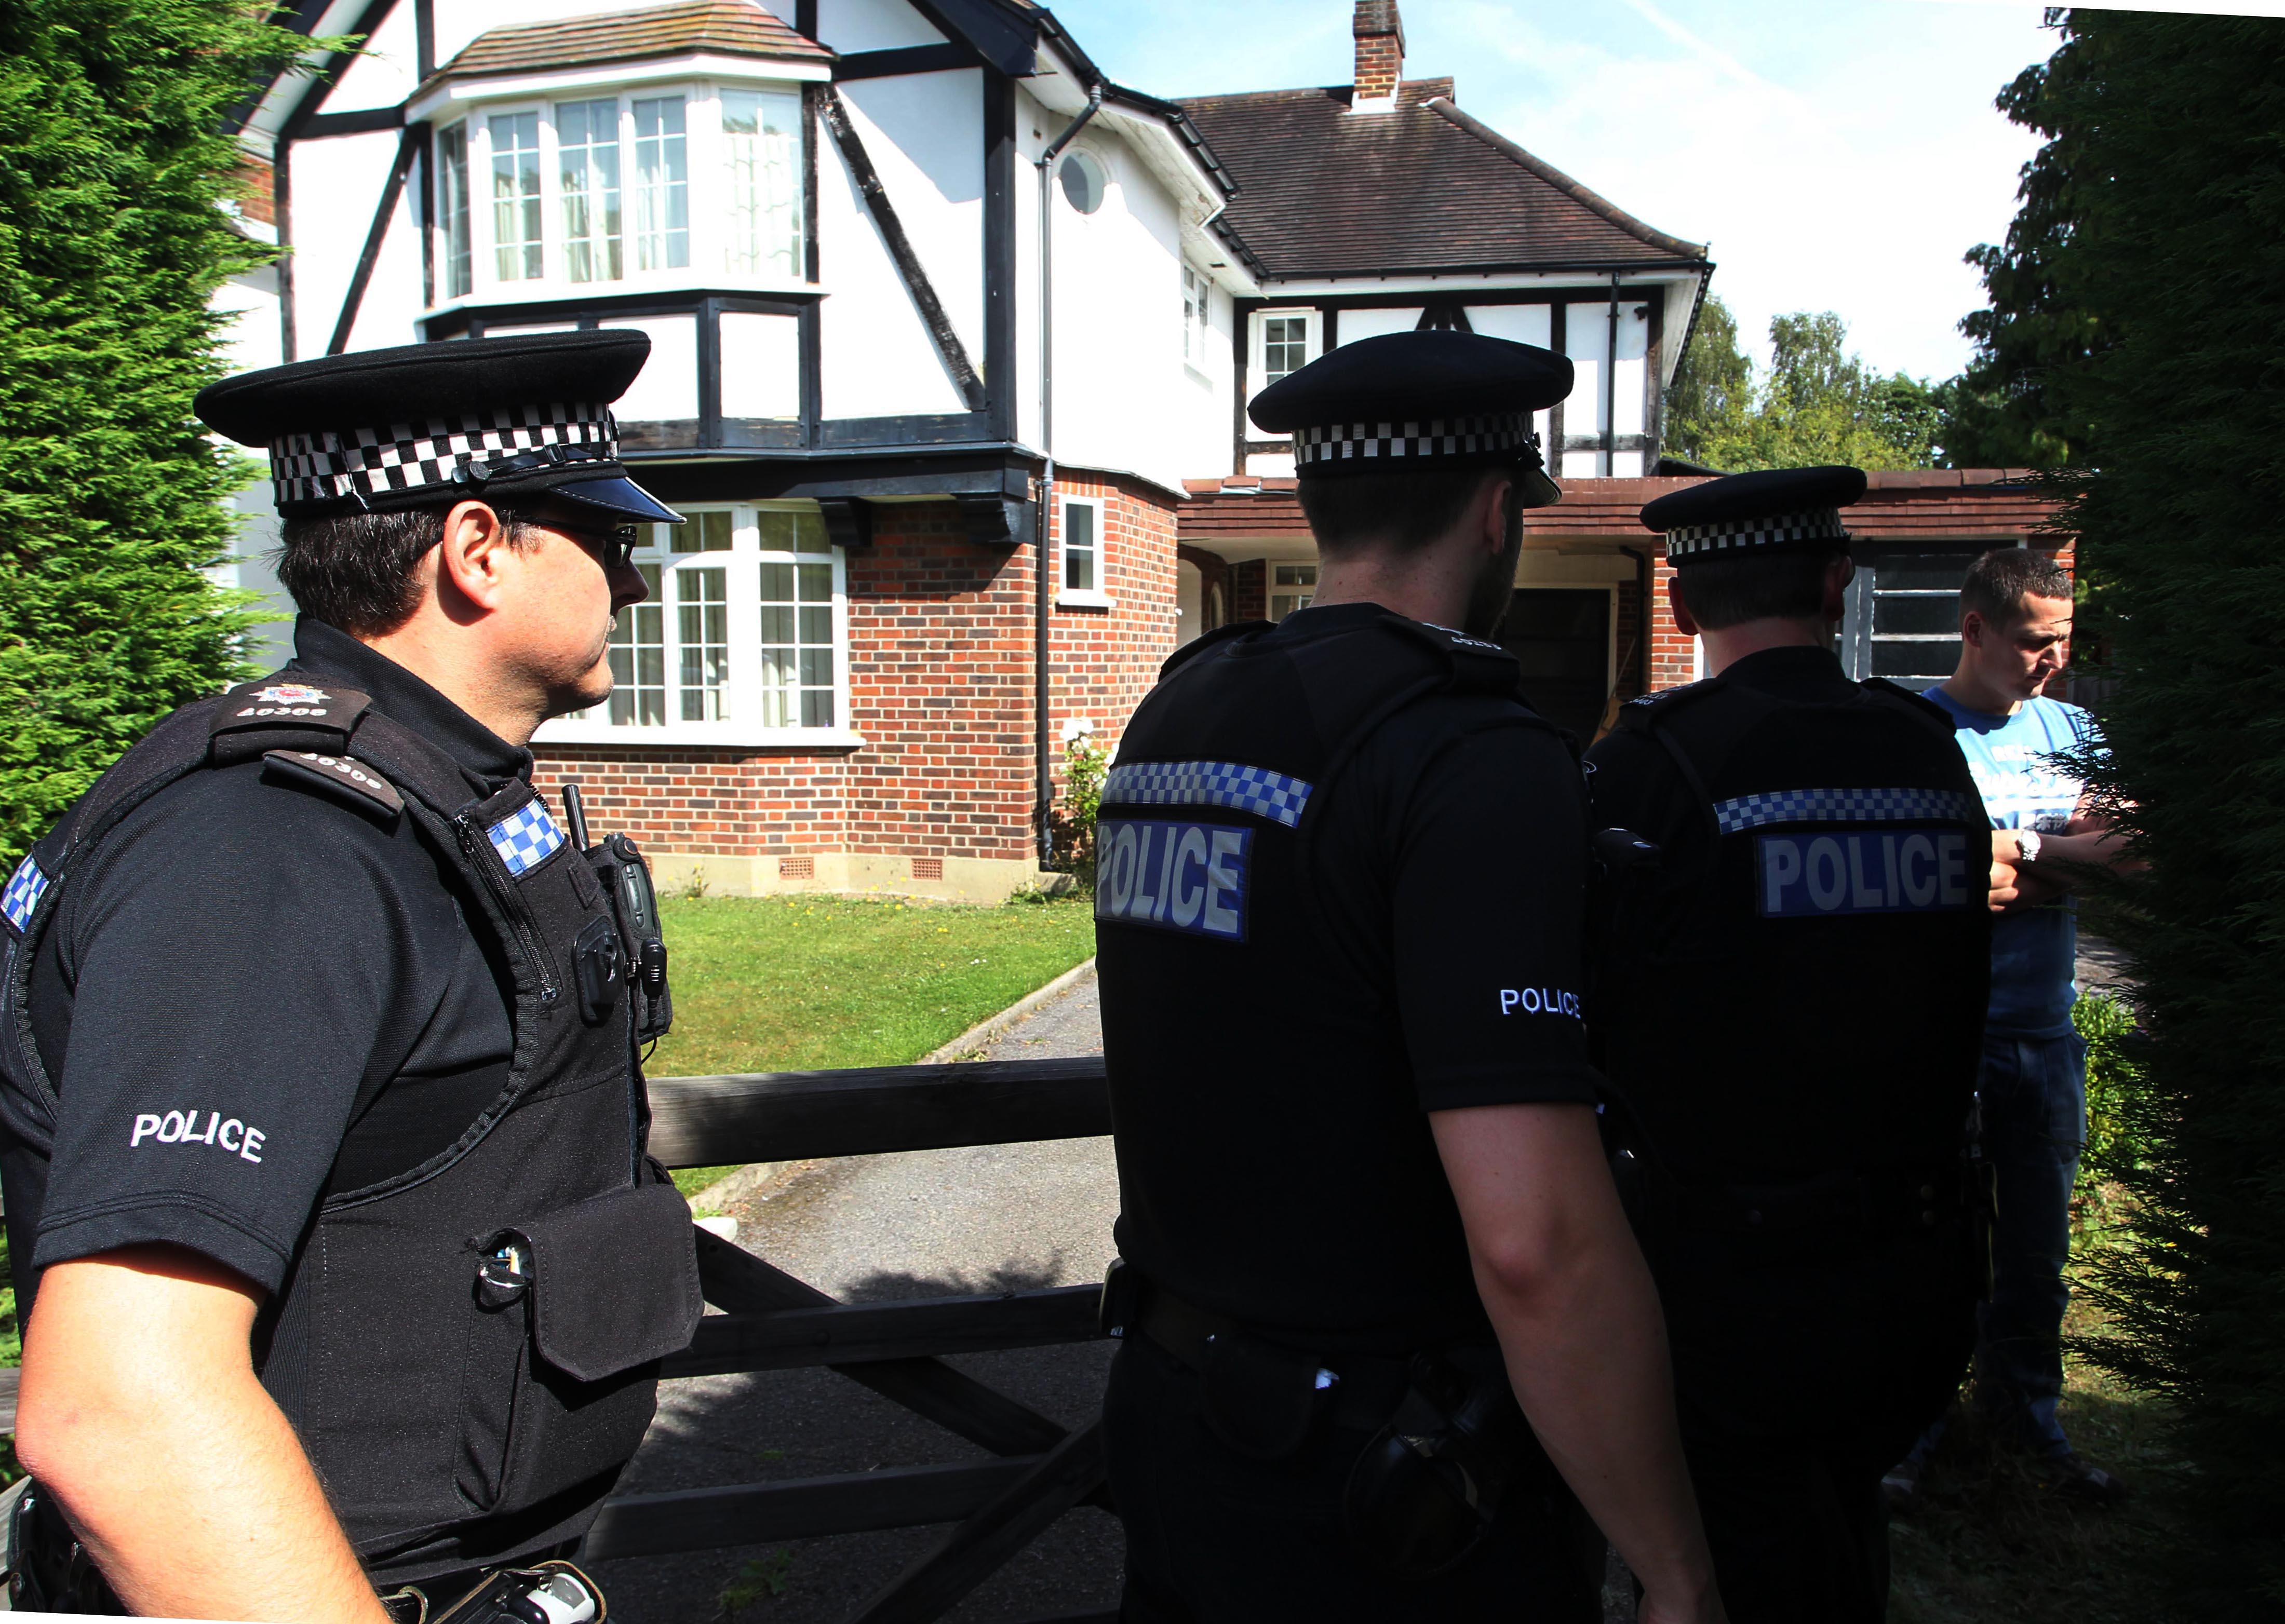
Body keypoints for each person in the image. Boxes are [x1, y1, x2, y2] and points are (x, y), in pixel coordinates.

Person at [0, 331, 703, 1620]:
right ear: (478, 549)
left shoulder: (425, 802)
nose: (636, 581)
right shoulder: (272, 855)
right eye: (603, 535)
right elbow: (121, 1404)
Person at [1093, 330, 1725, 1624]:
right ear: (1500, 511)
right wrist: (1673, 1565)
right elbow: (1534, 1240)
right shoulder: (1470, 754)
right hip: (1384, 1493)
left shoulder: (1180, 713)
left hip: (1175, 1430)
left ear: (1319, 506)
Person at [1583, 467, 1993, 1623]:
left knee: (1729, 1557)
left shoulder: (1651, 765)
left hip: (1723, 1291)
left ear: (1679, 611)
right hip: (1917, 1267)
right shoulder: (1925, 755)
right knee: (1838, 1527)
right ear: (1835, 581)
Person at [1886, 547, 2132, 1506]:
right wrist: (2059, 865)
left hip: (2043, 1034)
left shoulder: (2073, 729)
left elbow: (2132, 847)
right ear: (1976, 630)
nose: (2053, 663)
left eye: (2065, 642)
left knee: (2036, 1252)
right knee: (1929, 1247)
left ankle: (2029, 1423)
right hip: (1940, 1035)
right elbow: (1930, 867)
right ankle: (1913, 1429)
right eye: (2035, 642)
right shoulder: (1910, 729)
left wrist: (2025, 847)